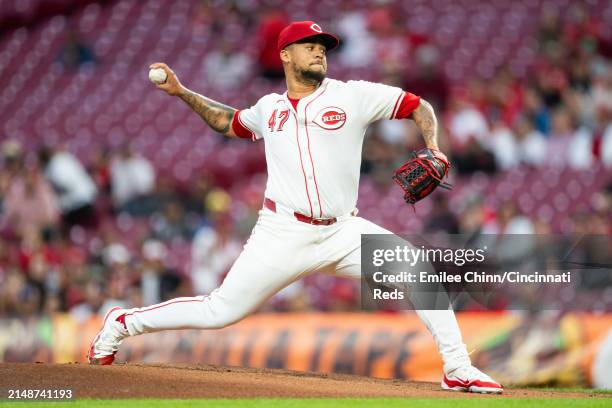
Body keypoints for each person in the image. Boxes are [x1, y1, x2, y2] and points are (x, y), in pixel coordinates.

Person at [88, 21, 503, 394]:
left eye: (322, 45)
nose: (319, 50)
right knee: (220, 311)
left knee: (415, 268)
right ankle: (124, 322)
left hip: (342, 231)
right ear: (285, 55)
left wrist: (433, 146)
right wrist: (182, 92)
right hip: (282, 232)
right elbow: (228, 122)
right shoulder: (269, 109)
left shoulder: (353, 95)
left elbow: (419, 106)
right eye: (308, 44)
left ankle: (457, 367)